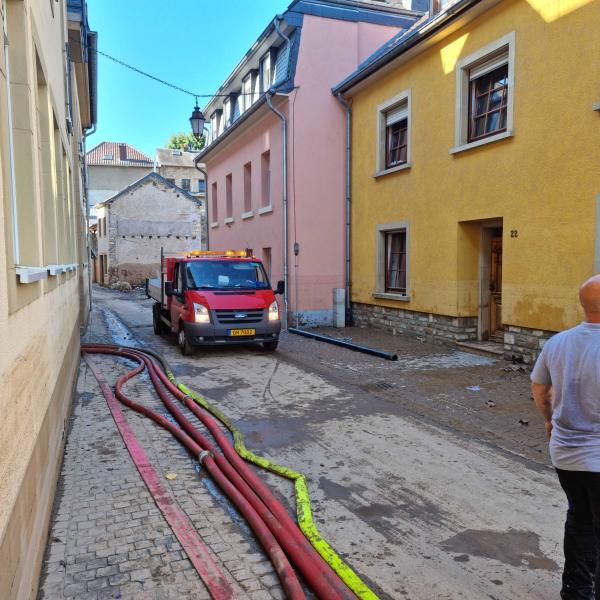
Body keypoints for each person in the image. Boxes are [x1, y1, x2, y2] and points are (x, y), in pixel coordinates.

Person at [532, 275, 600, 600]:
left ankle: (575, 590)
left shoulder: (557, 343)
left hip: (567, 455)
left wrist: (549, 420)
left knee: (580, 519)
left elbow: (540, 389)